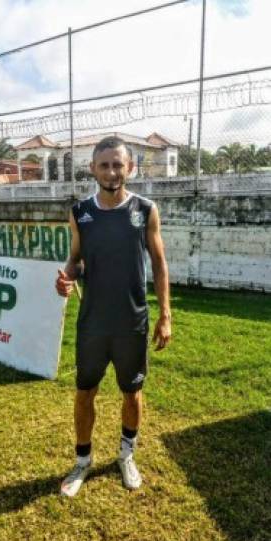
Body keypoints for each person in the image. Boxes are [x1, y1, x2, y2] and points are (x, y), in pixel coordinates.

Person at [55, 136, 171, 497]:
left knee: (132, 393)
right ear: (93, 169)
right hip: (92, 322)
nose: (111, 171)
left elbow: (159, 262)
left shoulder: (145, 210)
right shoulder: (79, 213)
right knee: (84, 392)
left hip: (131, 322)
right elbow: (75, 259)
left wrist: (165, 314)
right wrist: (66, 277)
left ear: (130, 168)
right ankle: (82, 461)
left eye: (118, 164)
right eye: (104, 165)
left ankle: (126, 455)